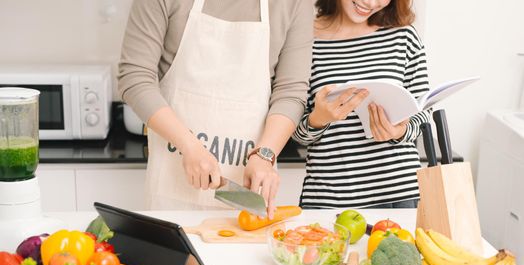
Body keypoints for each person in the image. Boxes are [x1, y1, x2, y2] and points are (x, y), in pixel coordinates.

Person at [118, 0, 313, 218]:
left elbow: (290, 91)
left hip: (249, 194)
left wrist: (265, 154)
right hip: (172, 194)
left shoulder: (295, 4)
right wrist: (189, 145)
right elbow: (135, 78)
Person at [293, 0, 430, 209]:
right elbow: (293, 130)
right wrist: (318, 119)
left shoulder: (404, 37)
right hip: (329, 200)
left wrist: (399, 131)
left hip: (398, 194)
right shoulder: (303, 39)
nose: (371, 3)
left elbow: (423, 112)